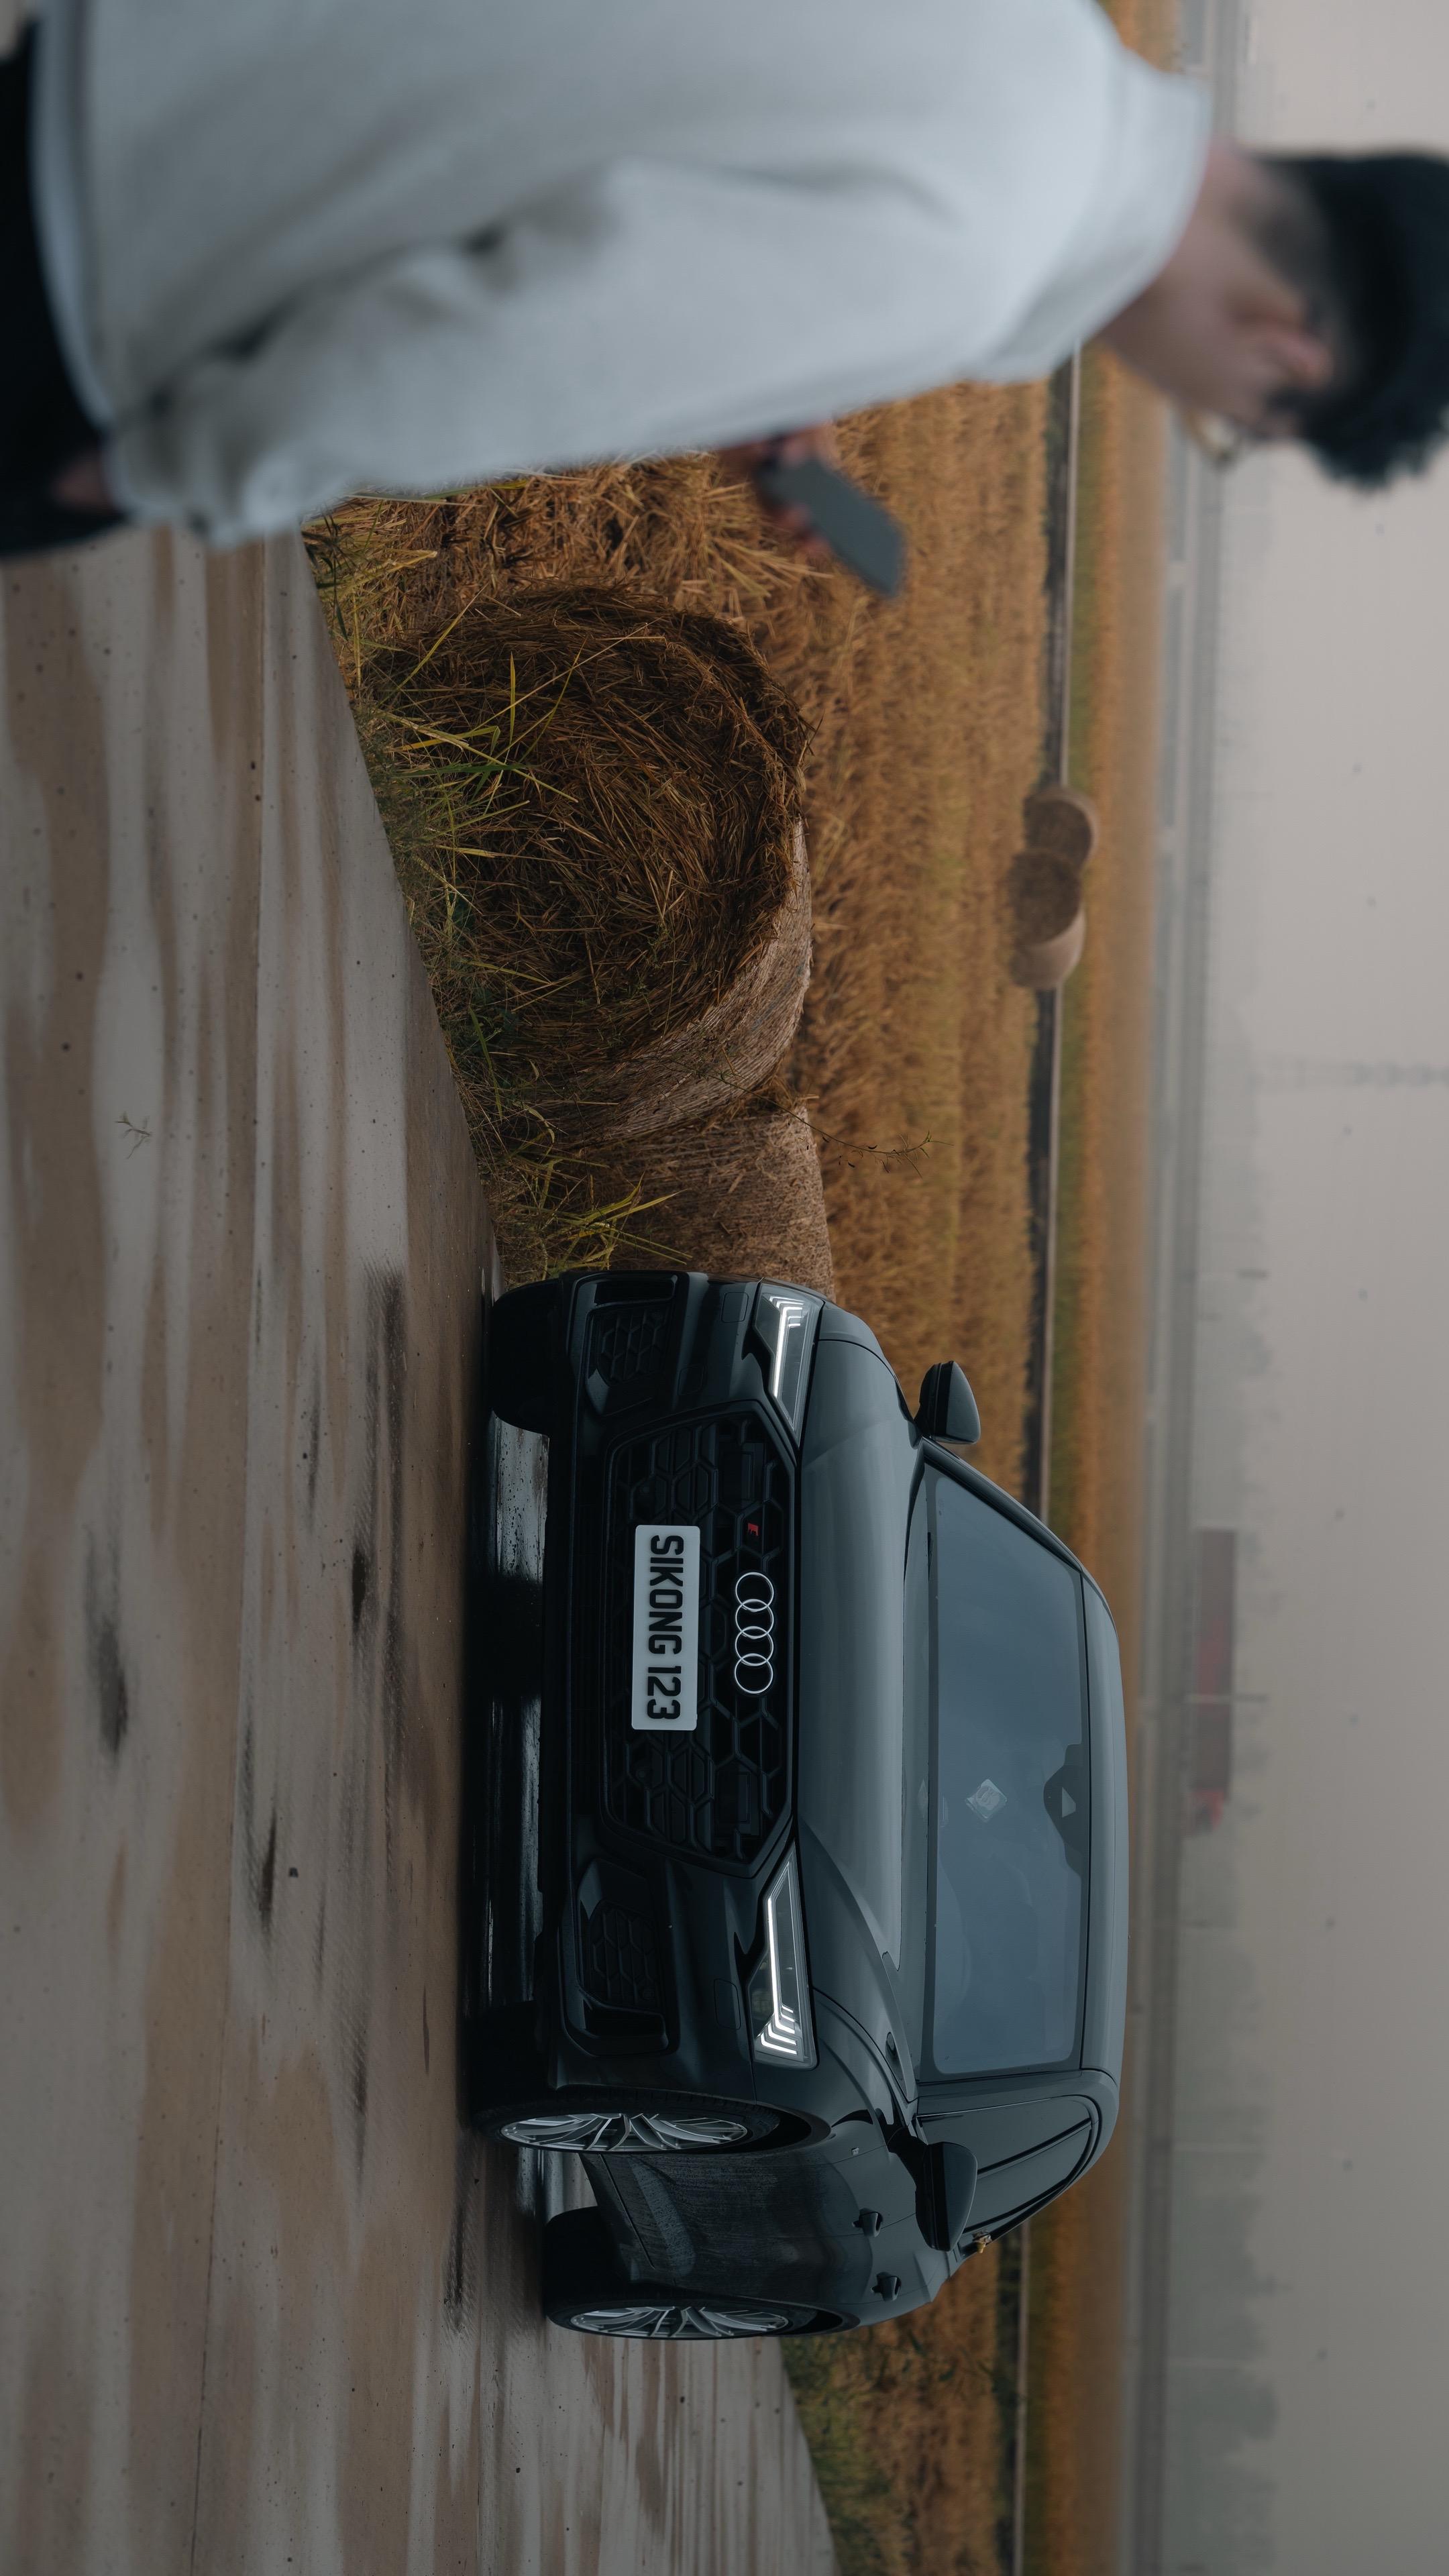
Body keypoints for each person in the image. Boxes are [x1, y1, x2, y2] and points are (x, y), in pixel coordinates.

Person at [5, 0, 1449, 561]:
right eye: (1235, 428)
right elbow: (514, 350)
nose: (1203, 410)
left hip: (147, 63)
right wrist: (173, 467)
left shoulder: (1032, 32)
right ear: (1289, 352)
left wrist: (760, 359)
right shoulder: (971, 251)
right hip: (122, 281)